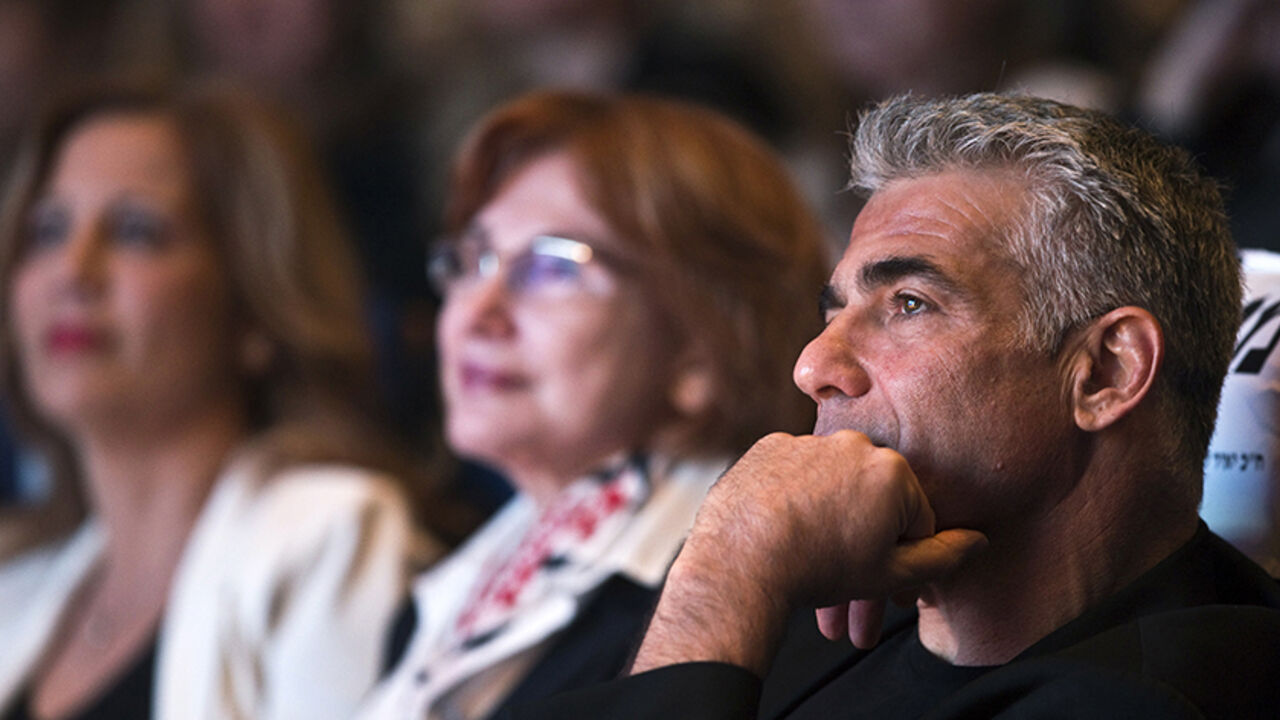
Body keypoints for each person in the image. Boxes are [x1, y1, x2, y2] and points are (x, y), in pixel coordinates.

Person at [501, 93, 1280, 719]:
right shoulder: (829, 614)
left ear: (1105, 372)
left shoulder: (1170, 689)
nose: (814, 366)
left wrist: (728, 573)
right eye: (833, 312)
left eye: (908, 304)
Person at [358, 89, 829, 720]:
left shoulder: (754, 611)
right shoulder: (448, 594)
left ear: (701, 345)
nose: (477, 312)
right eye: (471, 261)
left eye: (551, 267)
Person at [0, 81, 442, 720]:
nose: (73, 270)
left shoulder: (327, 539)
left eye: (134, 231)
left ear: (253, 309)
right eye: (47, 230)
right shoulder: (17, 591)